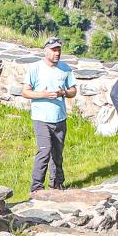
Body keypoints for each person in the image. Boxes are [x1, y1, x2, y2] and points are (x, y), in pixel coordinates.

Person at [22, 34, 77, 196]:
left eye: (59, 50)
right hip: (41, 118)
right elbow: (25, 92)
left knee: (57, 154)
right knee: (44, 151)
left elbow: (73, 91)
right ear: (46, 51)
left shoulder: (66, 69)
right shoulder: (35, 69)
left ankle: (57, 184)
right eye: (53, 50)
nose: (57, 53)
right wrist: (44, 95)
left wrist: (64, 93)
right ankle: (37, 187)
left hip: (60, 118)